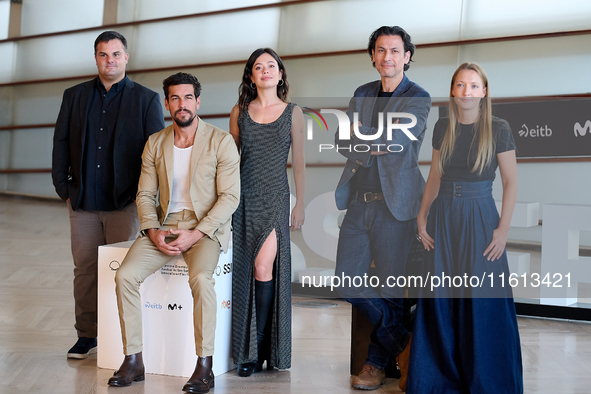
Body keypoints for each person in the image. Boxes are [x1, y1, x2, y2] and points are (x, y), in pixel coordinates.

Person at [107, 72, 240, 393]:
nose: (182, 104)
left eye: (188, 97)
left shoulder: (221, 141)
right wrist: (152, 230)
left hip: (206, 228)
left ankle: (204, 365)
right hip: (164, 227)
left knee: (200, 279)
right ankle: (134, 359)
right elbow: (144, 195)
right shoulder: (156, 142)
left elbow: (230, 197)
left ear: (198, 101)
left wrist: (196, 234)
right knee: (124, 275)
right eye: (175, 98)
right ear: (167, 103)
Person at [407, 63, 523, 393]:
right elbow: (435, 175)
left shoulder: (499, 128)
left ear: (484, 91)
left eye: (474, 86)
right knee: (440, 297)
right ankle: (438, 380)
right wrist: (422, 214)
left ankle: (487, 380)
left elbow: (511, 182)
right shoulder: (443, 126)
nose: (467, 91)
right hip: (443, 215)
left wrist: (503, 230)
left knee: (482, 300)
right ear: (453, 91)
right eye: (460, 85)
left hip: (480, 215)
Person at [51, 30, 164, 359]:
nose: (110, 60)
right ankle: (87, 335)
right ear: (96, 58)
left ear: (126, 58)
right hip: (82, 202)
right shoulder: (74, 96)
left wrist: (142, 197)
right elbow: (60, 144)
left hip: (124, 203)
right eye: (103, 54)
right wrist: (64, 188)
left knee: (123, 270)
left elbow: (154, 153)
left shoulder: (146, 99)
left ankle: (122, 338)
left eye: (116, 54)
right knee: (85, 269)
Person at [333, 26, 431, 391]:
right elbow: (342, 139)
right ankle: (402, 342)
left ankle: (375, 364)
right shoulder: (362, 94)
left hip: (397, 206)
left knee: (391, 287)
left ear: (406, 56)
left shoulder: (418, 97)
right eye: (380, 50)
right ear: (373, 56)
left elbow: (397, 139)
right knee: (346, 280)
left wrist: (367, 136)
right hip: (359, 203)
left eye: (395, 50)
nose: (387, 56)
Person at [229, 48, 305, 377]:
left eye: (271, 66)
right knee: (246, 272)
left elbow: (298, 163)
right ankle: (247, 351)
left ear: (281, 74)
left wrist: (300, 202)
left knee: (263, 266)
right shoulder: (239, 112)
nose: (265, 71)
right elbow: (229, 163)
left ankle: (259, 350)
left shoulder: (293, 113)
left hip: (275, 199)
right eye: (258, 67)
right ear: (251, 76)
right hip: (242, 199)